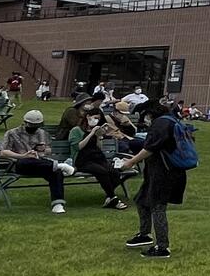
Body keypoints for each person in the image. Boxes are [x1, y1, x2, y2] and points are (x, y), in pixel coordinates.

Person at [119, 95, 185, 258]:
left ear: (150, 113)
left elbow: (150, 148)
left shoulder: (161, 124)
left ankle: (163, 247)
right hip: (158, 170)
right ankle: (144, 234)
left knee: (157, 206)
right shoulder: (170, 120)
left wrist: (131, 162)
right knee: (142, 199)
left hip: (164, 172)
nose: (145, 120)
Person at [0, 109, 76, 213]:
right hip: (19, 164)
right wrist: (22, 155)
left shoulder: (42, 133)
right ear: (25, 122)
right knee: (26, 161)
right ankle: (59, 165)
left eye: (37, 125)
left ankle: (57, 204)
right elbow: (3, 152)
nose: (34, 128)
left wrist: (42, 150)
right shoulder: (12, 133)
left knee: (55, 172)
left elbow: (48, 150)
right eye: (31, 125)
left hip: (40, 163)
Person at [69, 106, 133, 210]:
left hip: (98, 158)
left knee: (115, 172)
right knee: (102, 171)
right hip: (83, 160)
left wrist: (99, 136)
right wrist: (91, 134)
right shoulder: (76, 130)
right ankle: (113, 199)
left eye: (98, 118)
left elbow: (99, 148)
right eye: (94, 117)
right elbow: (78, 147)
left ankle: (109, 197)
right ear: (88, 117)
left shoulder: (96, 130)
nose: (95, 120)